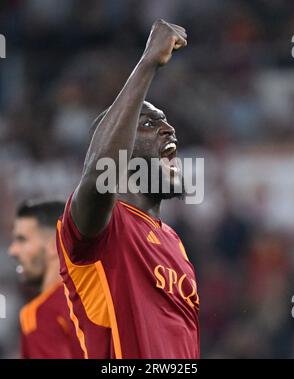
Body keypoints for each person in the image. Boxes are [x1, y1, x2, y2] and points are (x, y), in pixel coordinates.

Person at [56, 19, 199, 359]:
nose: (169, 129)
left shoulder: (174, 243)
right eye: (149, 123)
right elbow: (98, 171)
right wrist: (148, 60)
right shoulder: (99, 229)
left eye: (164, 120)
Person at [9, 200, 83, 358]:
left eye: (22, 240)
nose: (12, 250)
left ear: (53, 244)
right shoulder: (98, 299)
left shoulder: (40, 314)